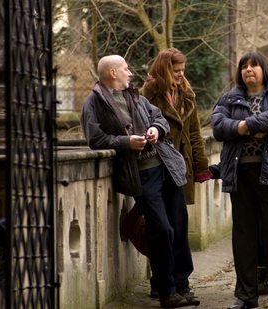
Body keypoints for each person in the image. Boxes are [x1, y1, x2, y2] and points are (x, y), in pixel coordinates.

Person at [81, 55, 199, 308]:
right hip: (140, 174)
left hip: (167, 167)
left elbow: (159, 118)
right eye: (126, 68)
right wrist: (126, 142)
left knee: (178, 227)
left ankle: (182, 286)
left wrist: (157, 129)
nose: (131, 72)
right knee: (161, 229)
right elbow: (95, 138)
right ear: (113, 73)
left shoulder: (135, 96)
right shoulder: (94, 102)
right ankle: (166, 291)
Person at [211, 51, 268, 309]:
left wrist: (240, 124)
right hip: (240, 173)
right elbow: (217, 126)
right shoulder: (230, 97)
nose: (249, 70)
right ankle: (246, 295)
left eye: (254, 66)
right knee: (243, 235)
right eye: (244, 66)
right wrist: (248, 128)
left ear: (264, 70)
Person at [141, 47, 212, 205]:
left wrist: (200, 166)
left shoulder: (187, 95)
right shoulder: (147, 95)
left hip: (182, 163)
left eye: (182, 70)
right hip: (159, 164)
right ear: (163, 70)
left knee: (179, 217)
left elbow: (194, 132)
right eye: (175, 70)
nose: (181, 74)